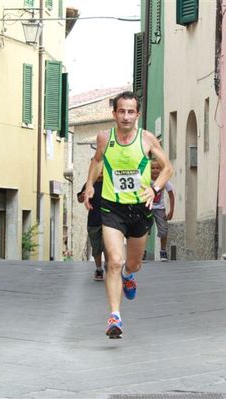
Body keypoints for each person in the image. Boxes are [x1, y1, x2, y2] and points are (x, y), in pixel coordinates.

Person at [84, 91, 172, 338]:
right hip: (111, 207)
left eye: (130, 111)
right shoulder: (104, 138)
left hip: (140, 209)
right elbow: (97, 160)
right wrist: (90, 184)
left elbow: (168, 168)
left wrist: (154, 189)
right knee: (113, 259)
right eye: (121, 111)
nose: (125, 116)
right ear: (114, 114)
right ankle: (115, 316)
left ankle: (128, 275)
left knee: (133, 263)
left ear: (138, 114)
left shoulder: (147, 139)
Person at [77, 166, 107, 281]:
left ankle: (109, 266)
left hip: (108, 220)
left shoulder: (110, 183)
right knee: (96, 248)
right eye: (97, 170)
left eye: (102, 170)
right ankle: (99, 269)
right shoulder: (89, 184)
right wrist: (82, 197)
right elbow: (80, 199)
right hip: (93, 221)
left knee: (108, 246)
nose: (100, 172)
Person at [150, 162, 175, 261]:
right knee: (143, 230)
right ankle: (142, 252)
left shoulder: (163, 181)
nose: (155, 170)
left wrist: (171, 211)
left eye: (157, 168)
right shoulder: (145, 180)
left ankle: (163, 251)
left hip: (160, 208)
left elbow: (171, 195)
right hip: (147, 207)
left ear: (160, 170)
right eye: (152, 168)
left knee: (164, 231)